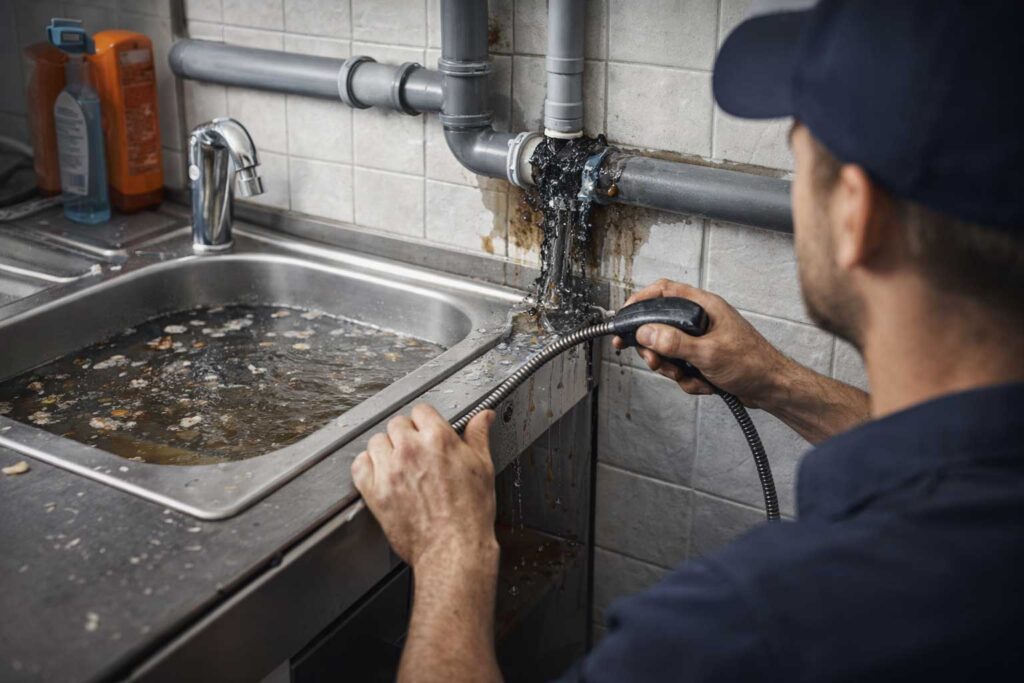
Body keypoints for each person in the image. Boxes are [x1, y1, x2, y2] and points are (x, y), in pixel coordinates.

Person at [351, 0, 1024, 679]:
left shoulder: (746, 632)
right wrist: (774, 379)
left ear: (857, 216)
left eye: (800, 162)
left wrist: (450, 552)